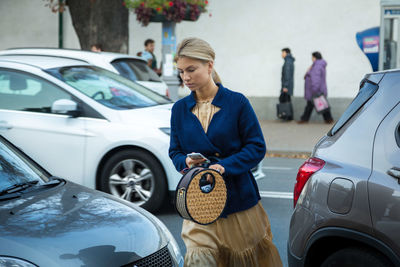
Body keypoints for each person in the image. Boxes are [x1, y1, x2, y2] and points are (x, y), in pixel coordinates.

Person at [169, 37, 282, 267]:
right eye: (181, 71)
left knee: (243, 260)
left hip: (239, 200)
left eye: (191, 69)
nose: (185, 78)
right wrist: (186, 161)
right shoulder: (179, 109)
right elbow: (175, 151)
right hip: (198, 201)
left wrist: (225, 166)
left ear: (210, 65)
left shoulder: (237, 103)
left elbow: (256, 147)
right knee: (199, 258)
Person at [298, 52, 334, 124]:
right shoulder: (319, 65)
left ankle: (305, 119)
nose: (311, 59)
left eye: (312, 57)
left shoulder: (316, 66)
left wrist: (314, 89)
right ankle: (328, 119)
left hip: (315, 90)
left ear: (314, 57)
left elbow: (315, 79)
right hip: (317, 90)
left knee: (315, 105)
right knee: (316, 105)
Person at [280, 47, 295, 121]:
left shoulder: (288, 62)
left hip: (286, 86)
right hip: (288, 85)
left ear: (286, 53)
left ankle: (286, 117)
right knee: (287, 101)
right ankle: (289, 117)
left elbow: (287, 74)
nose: (281, 54)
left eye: (282, 53)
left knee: (285, 101)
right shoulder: (289, 61)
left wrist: (285, 86)